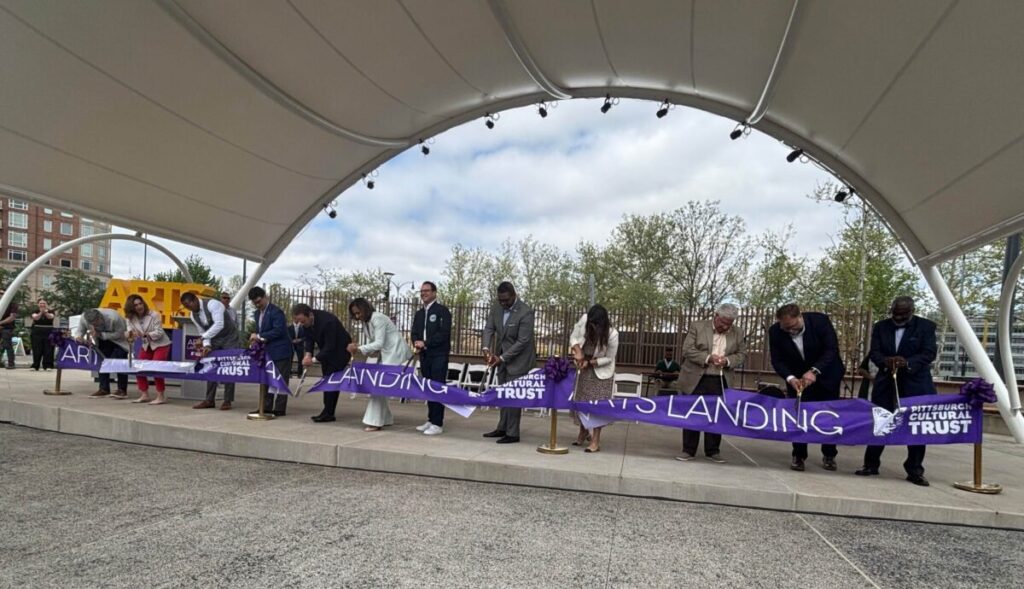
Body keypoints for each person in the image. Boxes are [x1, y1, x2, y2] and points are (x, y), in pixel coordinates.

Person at [856, 296, 938, 486]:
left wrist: (907, 362)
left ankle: (915, 469)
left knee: (915, 426)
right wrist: (885, 361)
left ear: (912, 311)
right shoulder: (881, 326)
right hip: (886, 382)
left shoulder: (926, 326)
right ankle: (871, 464)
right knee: (881, 421)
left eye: (903, 314)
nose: (899, 317)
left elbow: (929, 353)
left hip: (915, 383)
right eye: (895, 313)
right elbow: (874, 352)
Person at [768, 303, 845, 472]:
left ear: (800, 316)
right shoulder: (775, 331)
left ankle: (829, 454)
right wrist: (790, 378)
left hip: (827, 376)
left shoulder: (820, 322)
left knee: (829, 416)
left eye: (793, 326)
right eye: (785, 327)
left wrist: (814, 371)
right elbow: (777, 360)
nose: (790, 330)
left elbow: (831, 350)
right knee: (799, 416)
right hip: (798, 380)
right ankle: (799, 455)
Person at [676, 303, 747, 463]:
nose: (725, 326)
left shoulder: (738, 332)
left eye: (729, 324)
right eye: (722, 322)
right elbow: (687, 350)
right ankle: (688, 450)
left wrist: (728, 360)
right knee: (693, 414)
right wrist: (709, 358)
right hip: (697, 378)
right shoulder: (698, 326)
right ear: (716, 316)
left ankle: (713, 451)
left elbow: (742, 354)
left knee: (717, 415)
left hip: (721, 379)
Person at [481, 282, 536, 444]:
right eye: (500, 300)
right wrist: (486, 349)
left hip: (518, 360)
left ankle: (513, 433)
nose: (503, 303)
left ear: (513, 295)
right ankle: (502, 427)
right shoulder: (496, 308)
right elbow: (489, 329)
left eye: (506, 300)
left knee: (513, 395)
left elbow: (523, 341)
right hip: (501, 359)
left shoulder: (526, 312)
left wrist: (503, 358)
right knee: (502, 394)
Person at [346, 298, 410, 431]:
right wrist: (361, 348)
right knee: (381, 385)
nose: (357, 316)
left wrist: (358, 349)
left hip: (396, 354)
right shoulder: (366, 323)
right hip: (386, 354)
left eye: (359, 313)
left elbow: (379, 343)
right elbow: (373, 344)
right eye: (355, 314)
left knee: (377, 386)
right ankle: (386, 418)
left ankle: (374, 421)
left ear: (365, 309)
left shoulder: (378, 318)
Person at [568, 305, 619, 453]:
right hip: (584, 368)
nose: (593, 327)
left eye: (597, 325)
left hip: (601, 371)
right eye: (592, 323)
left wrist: (590, 363)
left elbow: (609, 358)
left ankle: (595, 441)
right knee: (582, 402)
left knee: (597, 406)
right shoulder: (584, 320)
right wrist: (578, 353)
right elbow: (573, 337)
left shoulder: (612, 334)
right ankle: (583, 431)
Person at [292, 303, 352, 423]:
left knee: (331, 379)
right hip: (327, 351)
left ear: (310, 315)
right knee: (326, 379)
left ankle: (328, 413)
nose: (301, 324)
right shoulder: (306, 322)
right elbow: (308, 338)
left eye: (302, 321)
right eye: (298, 322)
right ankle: (328, 411)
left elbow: (331, 346)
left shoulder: (328, 321)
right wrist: (308, 353)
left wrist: (313, 360)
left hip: (340, 351)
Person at [180, 291, 239, 410]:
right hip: (214, 339)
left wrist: (202, 339)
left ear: (195, 300)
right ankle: (209, 400)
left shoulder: (213, 304)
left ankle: (227, 400)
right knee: (210, 366)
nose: (188, 308)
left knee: (228, 367)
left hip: (230, 337)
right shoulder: (193, 315)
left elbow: (219, 324)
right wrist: (207, 345)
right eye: (186, 307)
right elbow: (202, 331)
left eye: (189, 305)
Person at [411, 281, 452, 436]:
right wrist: (416, 341)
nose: (423, 294)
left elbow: (444, 333)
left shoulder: (442, 311)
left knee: (437, 387)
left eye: (426, 291)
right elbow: (414, 331)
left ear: (434, 292)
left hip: (439, 355)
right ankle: (430, 418)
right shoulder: (419, 313)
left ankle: (437, 423)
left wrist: (426, 343)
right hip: (425, 355)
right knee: (427, 387)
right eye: (421, 291)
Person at [248, 287, 293, 416]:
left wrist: (260, 336)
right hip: (266, 351)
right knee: (266, 379)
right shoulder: (257, 314)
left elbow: (279, 330)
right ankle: (265, 406)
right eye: (254, 303)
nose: (257, 304)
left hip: (281, 351)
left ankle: (279, 408)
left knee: (280, 379)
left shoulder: (276, 312)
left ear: (265, 296)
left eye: (259, 301)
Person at [124, 294, 172, 405]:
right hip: (146, 345)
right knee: (139, 368)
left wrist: (145, 334)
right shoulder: (130, 318)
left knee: (156, 368)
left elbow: (159, 333)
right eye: (135, 305)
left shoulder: (154, 314)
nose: (139, 306)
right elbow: (131, 332)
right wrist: (129, 335)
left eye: (140, 303)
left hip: (161, 344)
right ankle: (144, 394)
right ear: (131, 307)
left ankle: (161, 396)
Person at [78, 308, 130, 399]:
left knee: (120, 362)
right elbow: (80, 330)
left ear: (100, 318)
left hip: (119, 341)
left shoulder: (114, 317)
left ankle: (122, 389)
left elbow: (120, 333)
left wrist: (101, 335)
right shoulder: (84, 318)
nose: (94, 325)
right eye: (92, 324)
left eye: (96, 323)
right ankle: (104, 389)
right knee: (102, 362)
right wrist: (78, 337)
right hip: (102, 341)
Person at [29, 297, 56, 371]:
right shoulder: (35, 311)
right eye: (41, 303)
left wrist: (45, 312)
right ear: (38, 304)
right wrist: (41, 312)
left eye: (44, 303)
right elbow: (36, 318)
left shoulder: (51, 311)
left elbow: (51, 317)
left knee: (48, 349)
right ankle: (35, 365)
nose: (42, 305)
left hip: (48, 331)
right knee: (37, 349)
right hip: (37, 332)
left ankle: (48, 365)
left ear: (47, 304)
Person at [0, 288, 18, 369]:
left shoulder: (12, 304)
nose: (1, 294)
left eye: (2, 293)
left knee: (7, 345)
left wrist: (0, 323)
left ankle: (11, 364)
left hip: (7, 328)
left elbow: (12, 317)